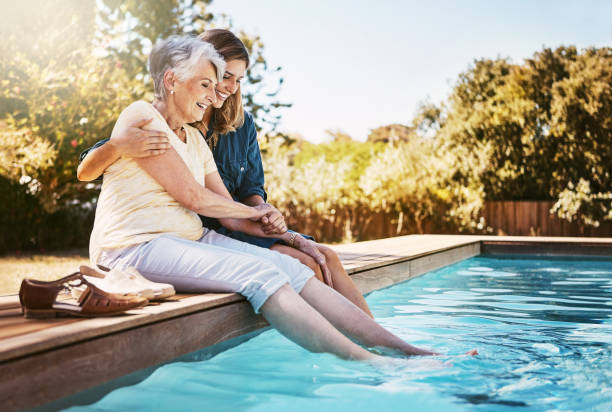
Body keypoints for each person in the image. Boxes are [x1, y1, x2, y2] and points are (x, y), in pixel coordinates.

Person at [89, 34, 449, 362]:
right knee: (260, 273)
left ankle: (403, 349)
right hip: (135, 247)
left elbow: (230, 215)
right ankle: (368, 362)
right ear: (171, 81)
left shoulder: (196, 141)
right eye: (205, 84)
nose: (214, 95)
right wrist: (253, 212)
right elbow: (195, 198)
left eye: (218, 85)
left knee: (291, 268)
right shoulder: (142, 116)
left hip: (190, 239)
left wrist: (267, 219)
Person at [78, 29, 372, 317]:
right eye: (224, 76)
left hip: (240, 224)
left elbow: (251, 188)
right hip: (205, 231)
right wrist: (118, 144)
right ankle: (324, 348)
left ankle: (370, 335)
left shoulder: (241, 125)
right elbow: (94, 165)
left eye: (237, 79)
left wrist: (266, 215)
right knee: (303, 265)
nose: (229, 86)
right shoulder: (168, 115)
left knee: (326, 257)